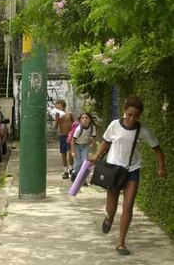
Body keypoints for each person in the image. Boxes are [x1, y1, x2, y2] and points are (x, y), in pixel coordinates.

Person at [90, 96, 166, 256]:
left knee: (128, 205)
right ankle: (109, 217)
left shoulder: (142, 129)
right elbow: (105, 143)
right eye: (129, 114)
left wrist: (161, 167)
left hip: (132, 169)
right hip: (113, 168)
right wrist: (96, 156)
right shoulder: (114, 125)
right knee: (112, 206)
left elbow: (157, 148)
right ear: (124, 111)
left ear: (139, 116)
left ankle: (121, 243)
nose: (132, 118)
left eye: (135, 116)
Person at [70, 112, 96, 182]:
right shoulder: (78, 129)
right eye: (83, 118)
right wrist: (73, 152)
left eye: (86, 118)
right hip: (76, 146)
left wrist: (93, 148)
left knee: (84, 162)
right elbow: (72, 140)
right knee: (78, 163)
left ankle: (82, 179)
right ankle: (74, 173)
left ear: (90, 119)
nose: (85, 119)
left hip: (85, 146)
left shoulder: (92, 128)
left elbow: (93, 138)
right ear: (80, 120)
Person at [54, 99, 74, 179]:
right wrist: (57, 120)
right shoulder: (57, 115)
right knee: (63, 153)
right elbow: (55, 127)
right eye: (57, 108)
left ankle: (71, 169)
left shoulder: (69, 114)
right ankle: (65, 171)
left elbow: (75, 124)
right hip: (62, 135)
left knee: (70, 153)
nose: (59, 109)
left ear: (64, 106)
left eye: (60, 107)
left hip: (69, 135)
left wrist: (73, 133)